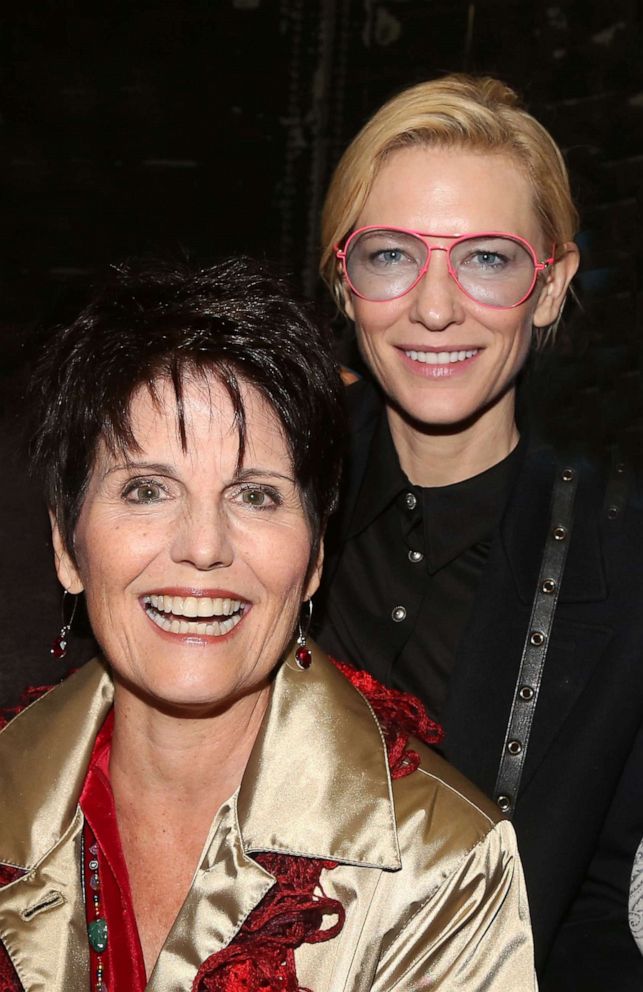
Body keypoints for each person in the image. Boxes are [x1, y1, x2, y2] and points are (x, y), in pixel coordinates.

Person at [0, 257, 537, 991]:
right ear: (67, 546)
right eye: (147, 489)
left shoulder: (439, 864)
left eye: (254, 495)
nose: (202, 547)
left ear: (314, 555)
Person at [314, 73, 643, 988]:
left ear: (550, 287)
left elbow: (598, 920)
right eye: (391, 254)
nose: (432, 307)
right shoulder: (263, 485)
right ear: (344, 277)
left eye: (486, 259)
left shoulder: (620, 572)